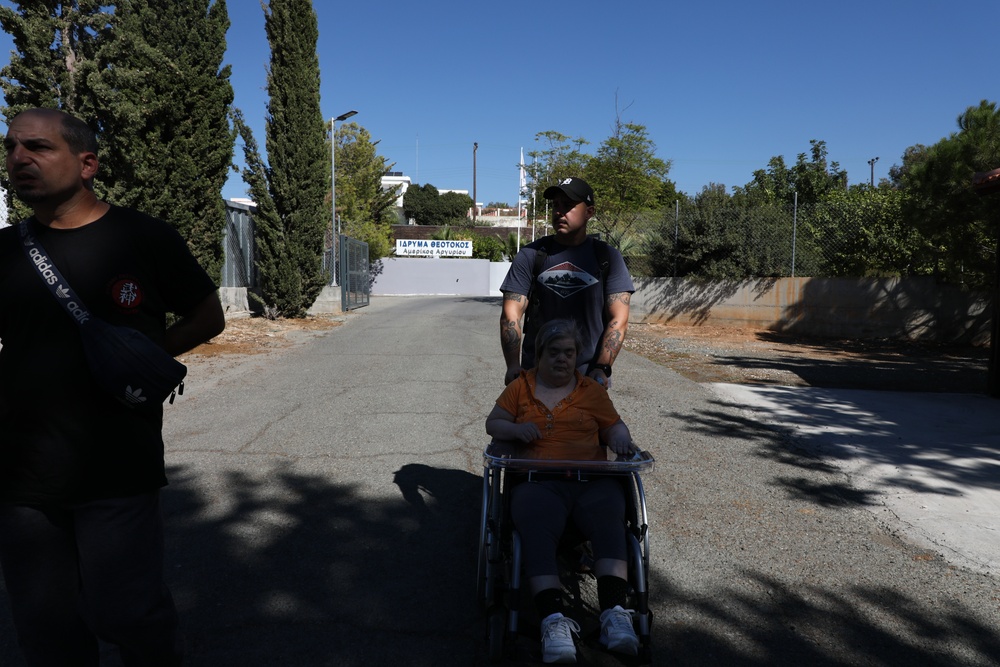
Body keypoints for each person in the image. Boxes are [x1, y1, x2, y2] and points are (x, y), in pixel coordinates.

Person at [0, 107, 225, 666]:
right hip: (21, 469)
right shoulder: (2, 251)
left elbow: (207, 316)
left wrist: (147, 358)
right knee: (44, 625)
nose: (18, 159)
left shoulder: (143, 237)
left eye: (37, 147)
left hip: (117, 459)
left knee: (127, 611)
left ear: (87, 164)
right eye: (10, 148)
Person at [486, 319, 639, 663]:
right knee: (535, 529)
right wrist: (516, 428)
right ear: (539, 355)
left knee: (610, 521)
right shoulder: (520, 389)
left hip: (591, 479)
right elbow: (491, 424)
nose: (562, 359)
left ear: (576, 356)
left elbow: (615, 426)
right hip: (537, 481)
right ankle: (553, 621)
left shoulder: (592, 391)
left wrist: (618, 437)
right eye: (554, 352)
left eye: (569, 353)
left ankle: (615, 614)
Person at [500, 177, 634, 387]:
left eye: (568, 205)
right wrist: (512, 366)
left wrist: (602, 367)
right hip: (534, 377)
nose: (559, 212)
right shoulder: (531, 255)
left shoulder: (607, 257)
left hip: (587, 379)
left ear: (589, 212)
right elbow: (511, 315)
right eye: (555, 205)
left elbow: (619, 319)